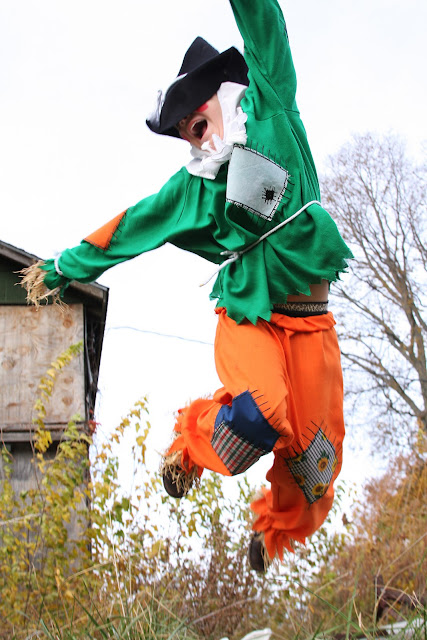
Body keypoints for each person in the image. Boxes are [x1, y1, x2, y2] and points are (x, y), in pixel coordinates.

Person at [22, 0, 353, 572]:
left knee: (316, 463)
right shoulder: (194, 188)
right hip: (251, 314)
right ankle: (191, 440)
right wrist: (61, 268)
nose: (194, 142)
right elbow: (132, 227)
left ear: (223, 95)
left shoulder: (272, 108)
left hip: (311, 325)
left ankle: (274, 526)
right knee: (258, 418)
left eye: (195, 125)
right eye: (184, 136)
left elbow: (264, 22)